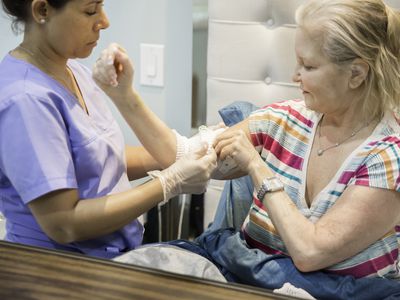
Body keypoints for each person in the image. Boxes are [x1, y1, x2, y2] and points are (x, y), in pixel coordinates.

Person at [93, 0, 400, 280]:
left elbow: (310, 252)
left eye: (309, 66)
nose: (295, 76)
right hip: (249, 276)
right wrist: (125, 97)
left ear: (357, 74)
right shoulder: (288, 119)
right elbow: (183, 155)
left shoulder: (387, 157)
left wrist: (257, 166)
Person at [0, 0, 217, 259]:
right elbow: (63, 223)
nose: (104, 21)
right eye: (91, 10)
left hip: (115, 253)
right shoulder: (26, 100)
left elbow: (98, 160)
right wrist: (168, 183)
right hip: (57, 270)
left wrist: (180, 152)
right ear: (42, 11)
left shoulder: (73, 71)